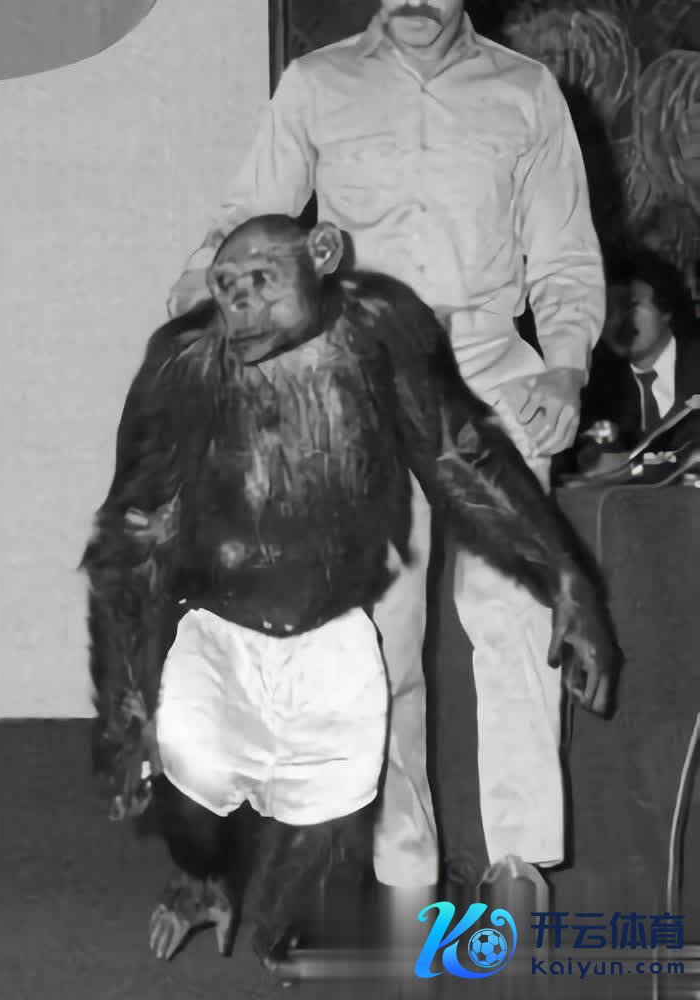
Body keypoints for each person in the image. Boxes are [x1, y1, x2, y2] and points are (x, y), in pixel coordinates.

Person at [166, 0, 605, 915]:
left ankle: (518, 866)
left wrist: (565, 368)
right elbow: (245, 218)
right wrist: (203, 303)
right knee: (376, 645)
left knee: (518, 619)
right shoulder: (317, 83)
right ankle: (404, 875)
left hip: (491, 381)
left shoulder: (525, 92)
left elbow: (565, 253)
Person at [577, 251, 700, 455]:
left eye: (628, 304)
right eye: (605, 312)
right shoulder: (598, 395)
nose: (615, 321)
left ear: (665, 308)